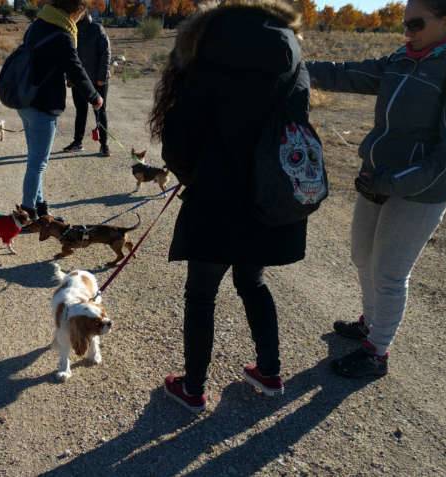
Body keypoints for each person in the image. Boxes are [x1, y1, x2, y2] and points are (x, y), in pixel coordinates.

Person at [307, 0, 446, 378]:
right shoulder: (406, 56)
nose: (406, 32)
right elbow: (350, 74)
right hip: (377, 176)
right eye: (404, 24)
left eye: (415, 24)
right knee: (363, 256)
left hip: (420, 191)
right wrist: (294, 68)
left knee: (390, 272)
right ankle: (370, 323)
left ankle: (377, 352)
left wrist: (393, 182)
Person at [150, 0, 310, 413]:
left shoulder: (208, 53)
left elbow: (179, 140)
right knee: (251, 281)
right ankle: (270, 371)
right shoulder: (291, 55)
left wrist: (189, 175)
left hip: (216, 200)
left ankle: (193, 387)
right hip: (271, 198)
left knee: (201, 294)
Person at [18, 0, 104, 221]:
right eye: (81, 14)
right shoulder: (62, 34)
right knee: (38, 163)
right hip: (43, 104)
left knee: (35, 160)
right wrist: (94, 97)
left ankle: (40, 207)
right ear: (74, 10)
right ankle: (28, 215)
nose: (80, 18)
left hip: (26, 99)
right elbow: (76, 68)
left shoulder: (37, 25)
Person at [62, 11, 112, 157]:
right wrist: (70, 77)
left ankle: (104, 145)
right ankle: (78, 142)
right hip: (79, 79)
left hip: (98, 80)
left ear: (83, 13)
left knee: (100, 112)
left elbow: (106, 52)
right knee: (80, 111)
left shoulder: (96, 29)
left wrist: (101, 77)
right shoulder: (71, 30)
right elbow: (70, 56)